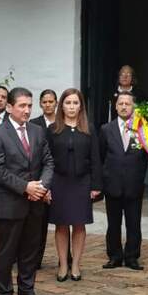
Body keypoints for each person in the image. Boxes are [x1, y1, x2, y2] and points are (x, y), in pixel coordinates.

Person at [0, 87, 54, 295]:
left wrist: (42, 186)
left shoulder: (37, 131)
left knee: (30, 250)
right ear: (9, 107)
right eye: (22, 106)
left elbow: (48, 162)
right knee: (6, 252)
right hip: (10, 203)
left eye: (29, 105)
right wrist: (25, 187)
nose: (27, 110)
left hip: (35, 202)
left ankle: (27, 292)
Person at [46, 88, 101, 281]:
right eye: (68, 103)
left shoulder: (89, 128)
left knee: (79, 224)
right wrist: (46, 186)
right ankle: (62, 265)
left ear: (81, 106)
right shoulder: (52, 129)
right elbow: (46, 159)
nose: (71, 107)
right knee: (61, 225)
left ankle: (76, 265)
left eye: (75, 103)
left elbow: (95, 158)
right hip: (58, 182)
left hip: (82, 183)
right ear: (62, 105)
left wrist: (95, 185)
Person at [99, 92, 148, 270]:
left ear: (133, 106)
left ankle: (132, 256)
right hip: (112, 184)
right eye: (121, 103)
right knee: (113, 223)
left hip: (134, 184)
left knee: (133, 223)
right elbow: (101, 156)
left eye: (128, 103)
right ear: (116, 106)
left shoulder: (142, 129)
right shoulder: (106, 129)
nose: (124, 106)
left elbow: (145, 157)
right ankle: (114, 256)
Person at [30, 88, 58, 269]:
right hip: (40, 178)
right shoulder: (34, 124)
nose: (48, 104)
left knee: (64, 221)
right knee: (38, 224)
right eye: (44, 102)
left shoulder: (63, 122)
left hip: (61, 178)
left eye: (51, 101)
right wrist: (44, 185)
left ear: (56, 103)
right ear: (40, 104)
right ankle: (35, 260)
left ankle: (67, 259)